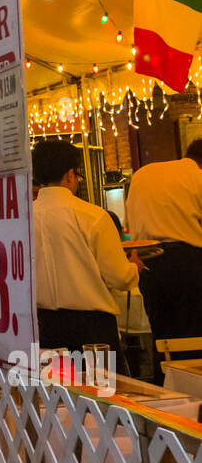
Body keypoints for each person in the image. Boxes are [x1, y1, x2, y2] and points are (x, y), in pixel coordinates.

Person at [32, 139, 139, 366]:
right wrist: (134, 268)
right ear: (70, 174)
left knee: (55, 399)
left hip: (43, 329)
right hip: (92, 331)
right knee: (101, 397)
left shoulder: (20, 220)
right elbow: (120, 277)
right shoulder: (93, 216)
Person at [126, 138, 202, 382]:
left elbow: (130, 222)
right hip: (189, 261)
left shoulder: (143, 174)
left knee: (162, 338)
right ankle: (193, 401)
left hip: (147, 261)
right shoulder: (197, 177)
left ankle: (166, 394)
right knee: (193, 337)